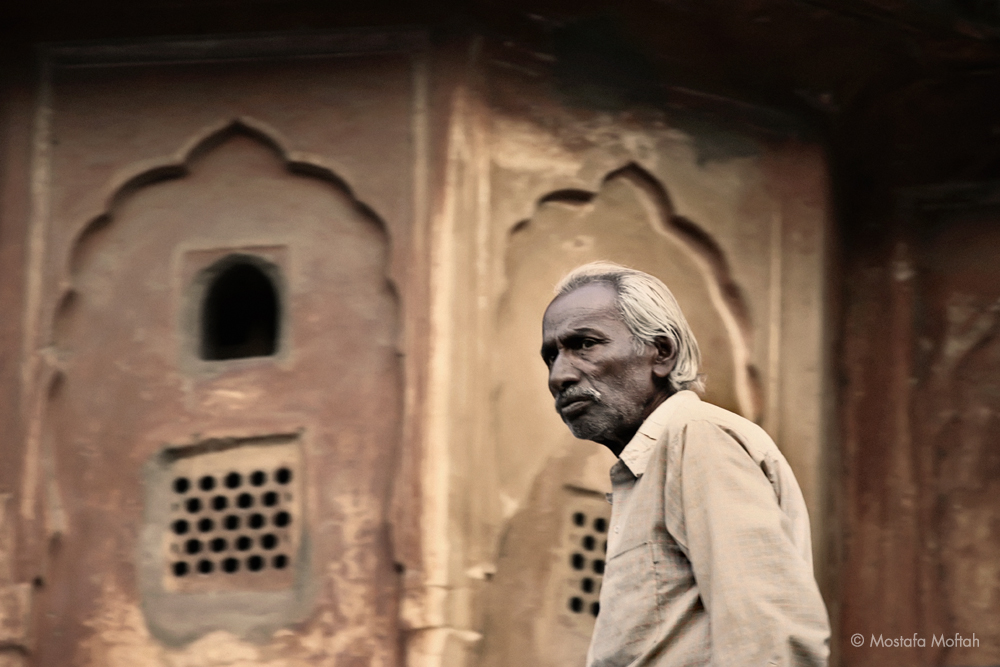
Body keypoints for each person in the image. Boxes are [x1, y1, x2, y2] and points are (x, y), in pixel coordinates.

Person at [540, 261, 830, 667]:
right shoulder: (649, 463)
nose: (559, 376)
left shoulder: (696, 437)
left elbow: (771, 638)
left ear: (661, 352)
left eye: (585, 344)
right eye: (551, 356)